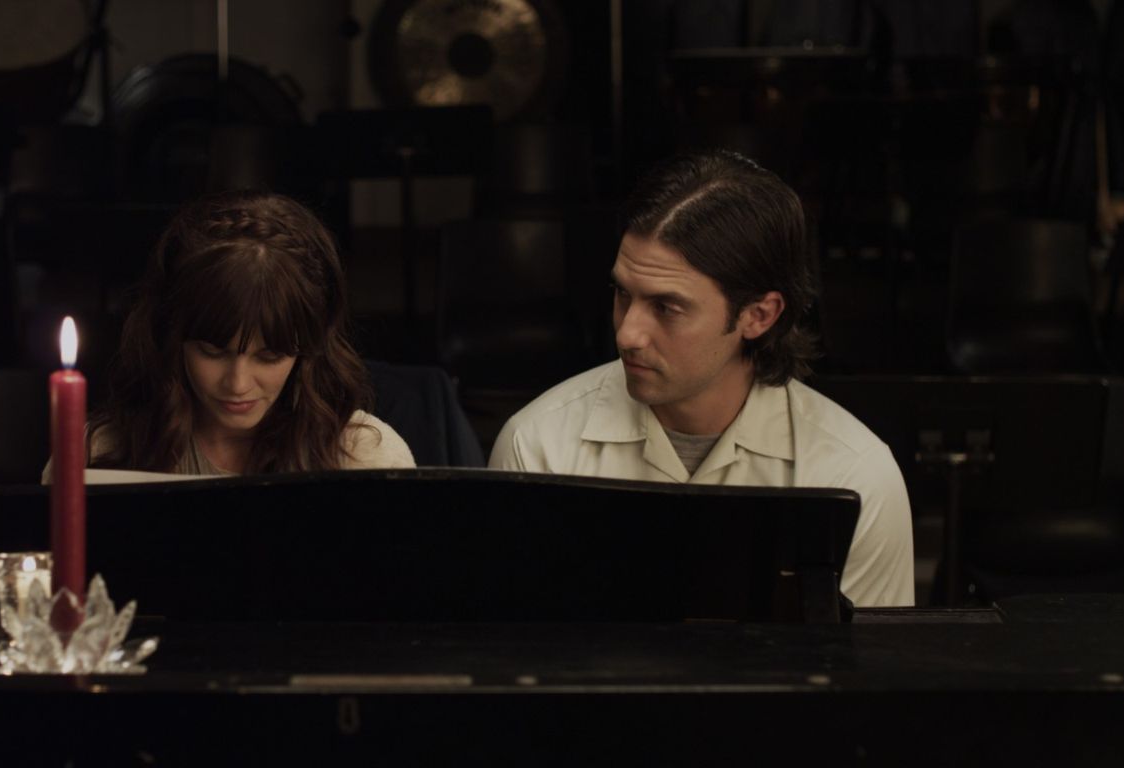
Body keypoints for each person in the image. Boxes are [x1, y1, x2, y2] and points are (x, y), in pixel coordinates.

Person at [488, 150, 914, 607]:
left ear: (759, 315)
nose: (627, 334)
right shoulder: (538, 448)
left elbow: (868, 655)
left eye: (666, 307)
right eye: (622, 294)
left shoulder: (854, 476)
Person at [84, 190, 414, 477]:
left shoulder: (364, 457)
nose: (238, 385)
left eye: (270, 356)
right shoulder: (104, 453)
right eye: (212, 352)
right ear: (171, 335)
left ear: (310, 346)